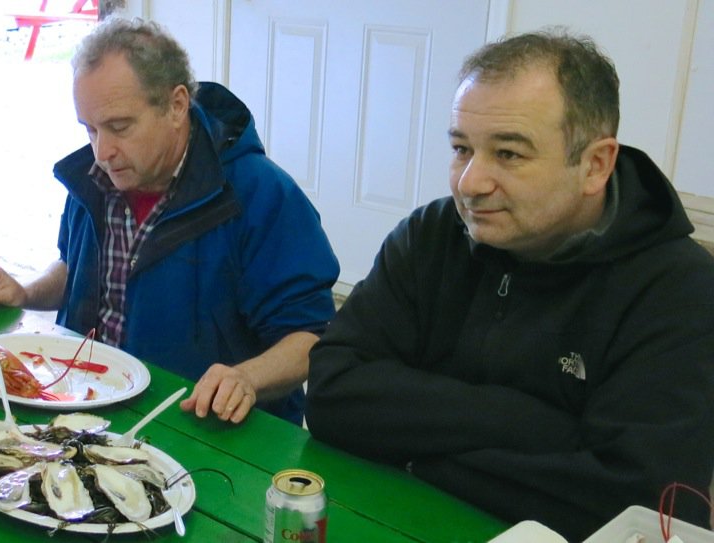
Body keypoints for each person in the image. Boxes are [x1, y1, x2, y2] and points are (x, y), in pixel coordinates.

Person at [305, 28, 714, 540]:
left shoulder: (678, 290)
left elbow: (637, 509)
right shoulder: (433, 234)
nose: (470, 182)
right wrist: (535, 424)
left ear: (595, 165)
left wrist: (420, 455)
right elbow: (330, 392)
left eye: (509, 154)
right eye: (461, 148)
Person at [0, 17, 339, 426]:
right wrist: (24, 292)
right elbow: (77, 269)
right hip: (86, 406)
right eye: (90, 130)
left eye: (119, 127)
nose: (103, 152)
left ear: (176, 106)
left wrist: (247, 377)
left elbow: (312, 337)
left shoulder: (260, 194)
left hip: (204, 428)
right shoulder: (95, 175)